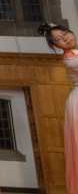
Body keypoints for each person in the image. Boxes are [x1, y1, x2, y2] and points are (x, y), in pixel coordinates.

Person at [38, 22, 78, 193]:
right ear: (56, 46)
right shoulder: (71, 60)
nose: (65, 39)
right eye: (59, 39)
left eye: (65, 33)